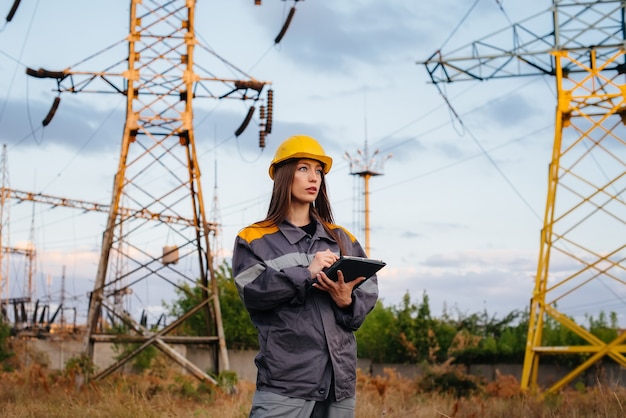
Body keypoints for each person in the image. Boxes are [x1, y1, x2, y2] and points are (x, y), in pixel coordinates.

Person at [232, 134, 379, 418]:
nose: (313, 177)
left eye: (318, 171)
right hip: (286, 382)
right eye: (303, 168)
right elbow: (253, 292)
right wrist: (306, 273)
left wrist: (346, 300)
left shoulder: (342, 239)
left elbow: (368, 291)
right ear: (284, 175)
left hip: (339, 383)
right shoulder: (255, 238)